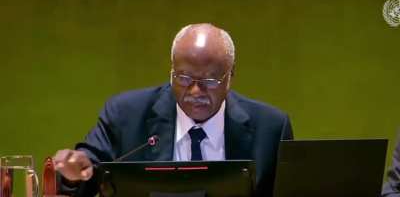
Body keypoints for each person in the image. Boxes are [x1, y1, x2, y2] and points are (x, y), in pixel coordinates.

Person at [53, 23, 293, 196]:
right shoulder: (126, 115)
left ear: (230, 77)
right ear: (171, 72)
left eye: (209, 81)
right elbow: (85, 173)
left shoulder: (270, 128)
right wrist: (74, 171)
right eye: (184, 78)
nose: (196, 91)